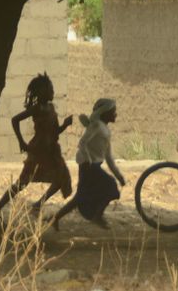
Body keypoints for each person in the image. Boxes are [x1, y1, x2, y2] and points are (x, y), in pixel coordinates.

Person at [0, 73, 73, 212]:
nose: (52, 91)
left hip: (51, 151)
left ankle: (38, 205)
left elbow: (54, 132)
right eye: (50, 88)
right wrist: (21, 142)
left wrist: (65, 125)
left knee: (61, 178)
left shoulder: (51, 108)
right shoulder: (37, 109)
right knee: (22, 183)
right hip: (38, 150)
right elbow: (15, 120)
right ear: (42, 91)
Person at [51, 98, 125, 231]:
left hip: (92, 165)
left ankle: (55, 218)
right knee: (111, 186)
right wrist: (89, 160)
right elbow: (82, 142)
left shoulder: (106, 131)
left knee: (80, 197)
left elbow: (108, 157)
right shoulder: (96, 126)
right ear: (105, 112)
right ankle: (97, 215)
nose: (115, 114)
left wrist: (118, 175)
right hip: (88, 165)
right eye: (113, 112)